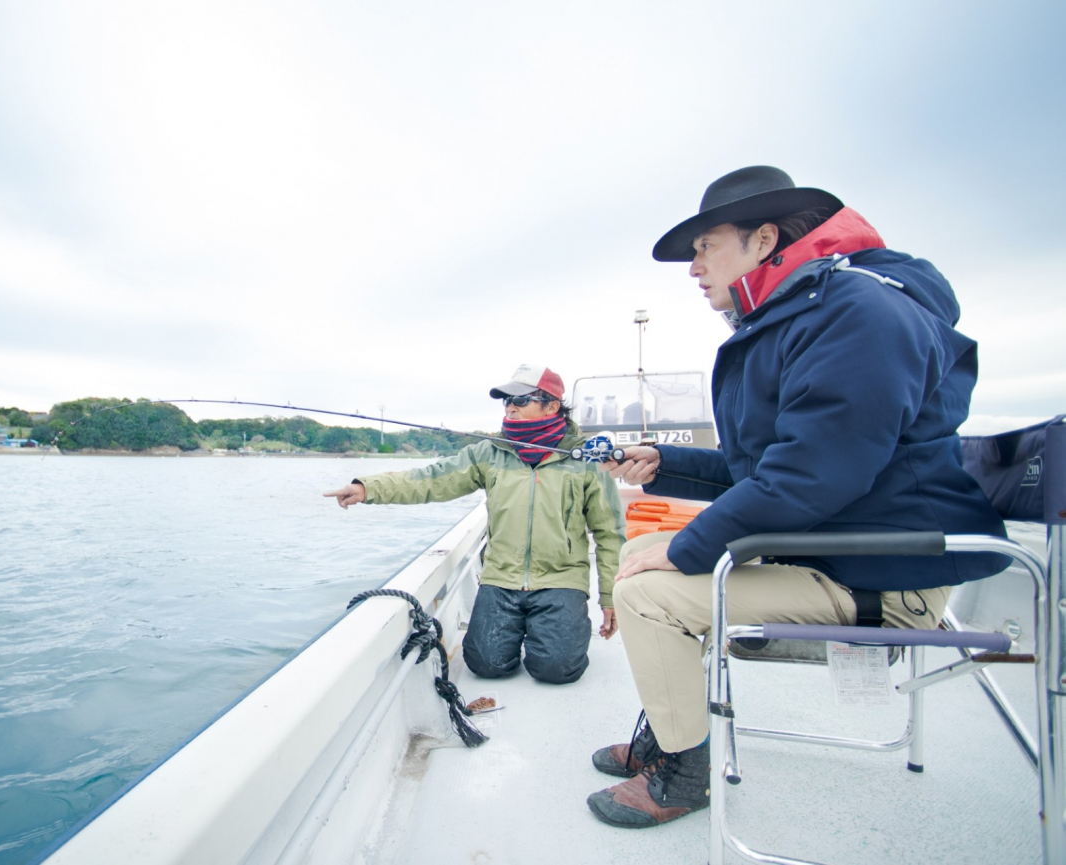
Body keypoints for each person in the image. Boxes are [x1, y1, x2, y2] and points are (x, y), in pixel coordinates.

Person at [585, 166, 1007, 828]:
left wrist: (692, 547)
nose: (694, 267)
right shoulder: (814, 312)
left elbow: (813, 475)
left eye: (706, 246)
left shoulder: (859, 313)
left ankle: (681, 774)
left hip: (887, 575)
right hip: (842, 545)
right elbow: (770, 467)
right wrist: (665, 464)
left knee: (648, 590)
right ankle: (666, 731)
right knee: (644, 548)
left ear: (764, 239)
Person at [324, 364, 626, 685]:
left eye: (521, 400)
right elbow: (432, 479)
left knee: (557, 669)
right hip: (501, 577)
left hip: (562, 580)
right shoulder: (489, 452)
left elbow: (610, 533)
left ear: (552, 405)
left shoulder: (588, 459)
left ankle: (550, 633)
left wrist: (611, 597)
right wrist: (368, 488)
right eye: (507, 400)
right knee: (486, 664)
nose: (510, 406)